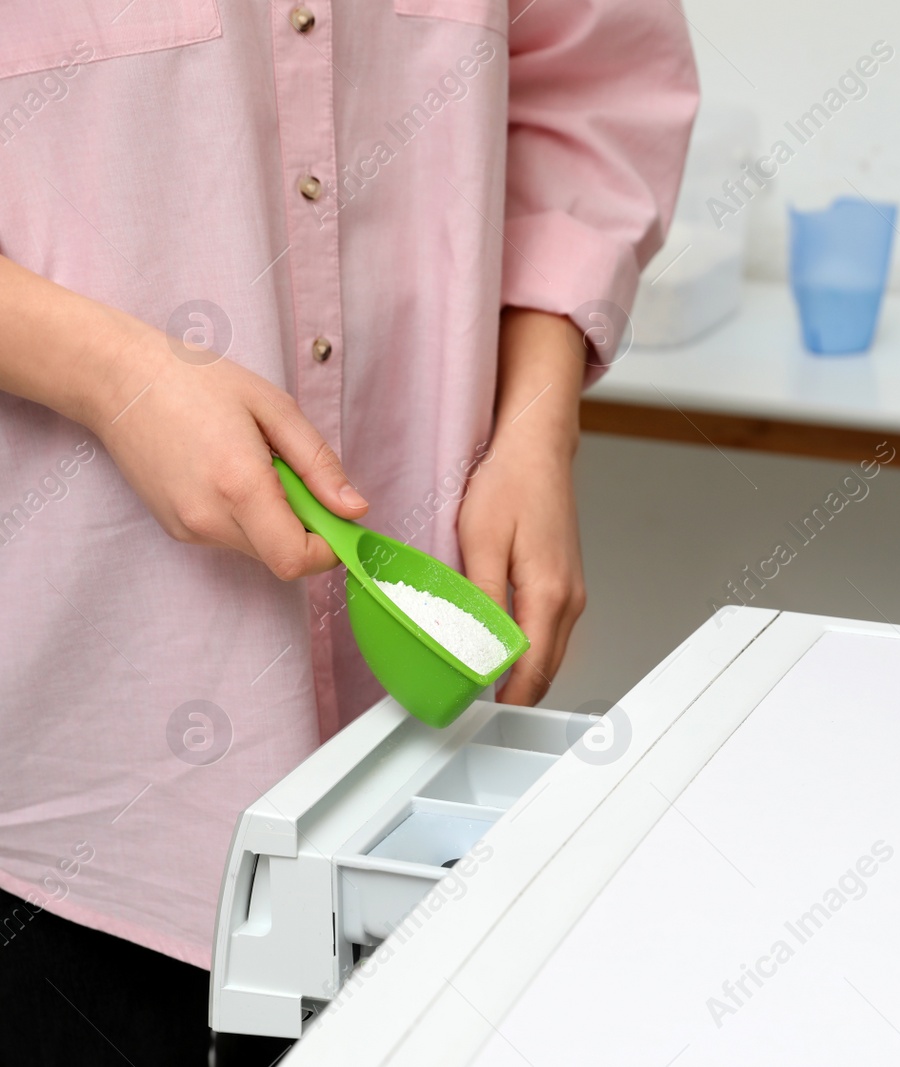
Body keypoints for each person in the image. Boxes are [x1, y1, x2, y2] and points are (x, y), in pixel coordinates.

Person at [0, 2, 697, 1062]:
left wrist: (535, 425)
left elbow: (595, 83)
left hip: (412, 774)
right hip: (64, 785)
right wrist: (109, 373)